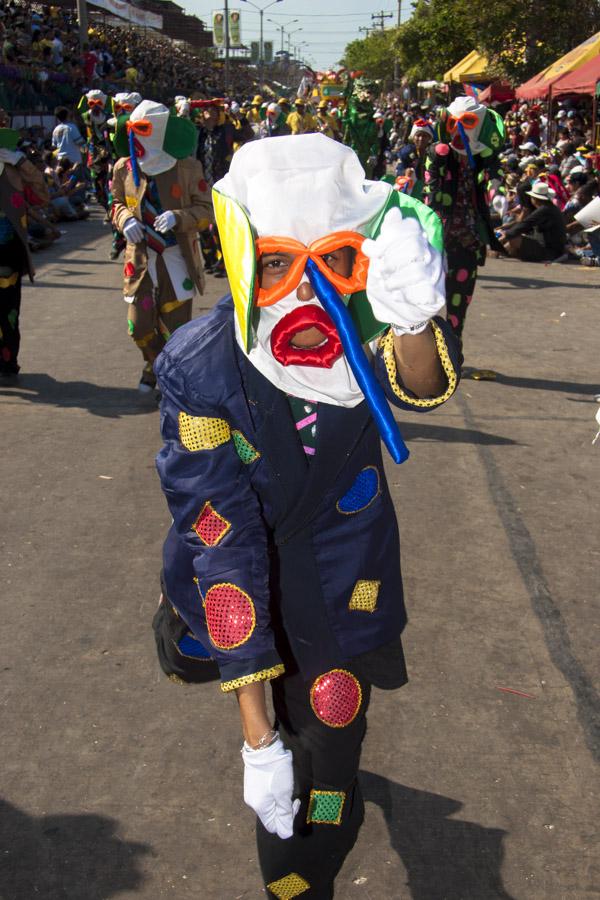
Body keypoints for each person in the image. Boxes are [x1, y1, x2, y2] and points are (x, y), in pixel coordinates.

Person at [154, 134, 461, 899]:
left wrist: (416, 317)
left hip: (344, 575)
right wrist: (256, 740)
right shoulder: (201, 368)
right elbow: (219, 539)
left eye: (334, 261)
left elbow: (422, 388)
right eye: (279, 262)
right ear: (242, 254)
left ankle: (320, 840)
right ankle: (292, 836)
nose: (308, 293)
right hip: (248, 585)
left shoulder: (371, 328)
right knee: (284, 758)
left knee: (332, 729)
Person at [111, 99, 213, 393]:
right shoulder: (124, 167)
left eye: (142, 128)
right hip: (141, 259)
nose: (134, 134)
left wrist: (179, 217)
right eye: (131, 127)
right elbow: (116, 202)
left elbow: (207, 210)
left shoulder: (187, 167)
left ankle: (169, 383)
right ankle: (154, 363)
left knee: (177, 330)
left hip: (177, 258)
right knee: (139, 326)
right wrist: (124, 218)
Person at [422, 95, 505, 354]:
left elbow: (493, 172)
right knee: (423, 299)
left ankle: (452, 348)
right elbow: (431, 187)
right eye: (454, 122)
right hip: (435, 237)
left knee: (459, 300)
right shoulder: (439, 152)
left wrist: (497, 191)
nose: (459, 128)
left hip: (468, 238)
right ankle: (422, 351)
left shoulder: (482, 156)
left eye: (467, 122)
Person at [0, 114, 49, 380]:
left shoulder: (14, 165)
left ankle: (7, 362)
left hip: (7, 248)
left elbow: (42, 195)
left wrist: (21, 163)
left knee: (8, 309)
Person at [499, 182, 567, 262]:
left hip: (550, 253)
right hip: (554, 250)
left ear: (535, 199)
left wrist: (506, 236)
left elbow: (525, 224)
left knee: (514, 238)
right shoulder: (550, 208)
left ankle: (499, 252)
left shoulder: (544, 209)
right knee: (511, 240)